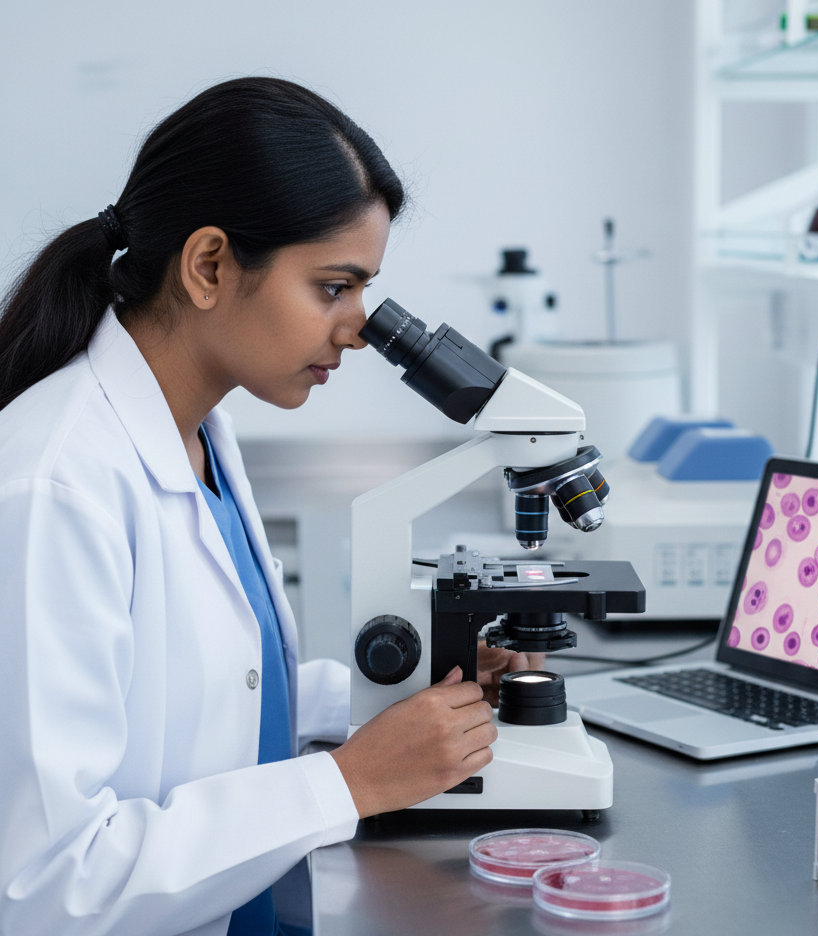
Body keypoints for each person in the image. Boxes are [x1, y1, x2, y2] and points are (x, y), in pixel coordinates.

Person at [0, 77, 540, 936]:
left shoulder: (198, 433)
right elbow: (46, 885)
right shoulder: (56, 485)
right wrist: (351, 781)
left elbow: (212, 685)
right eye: (333, 287)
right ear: (209, 266)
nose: (358, 328)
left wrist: (404, 691)